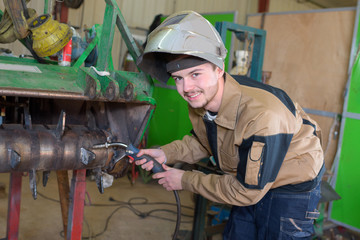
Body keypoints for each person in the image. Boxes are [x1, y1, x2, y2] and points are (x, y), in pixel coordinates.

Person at [134, 10, 324, 239]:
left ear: (219, 69)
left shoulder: (262, 116)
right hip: (248, 180)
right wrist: (164, 153)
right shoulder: (200, 100)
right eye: (178, 78)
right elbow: (203, 142)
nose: (186, 88)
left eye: (195, 74)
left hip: (290, 187)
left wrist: (184, 179)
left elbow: (246, 192)